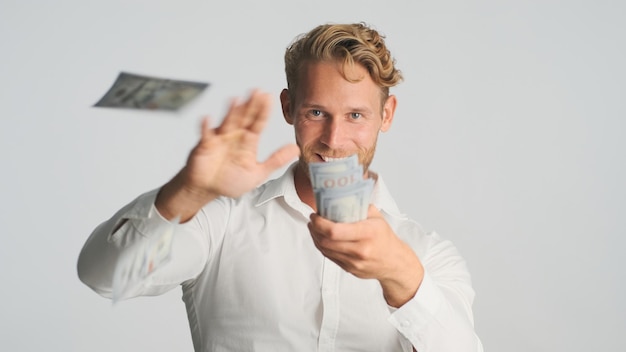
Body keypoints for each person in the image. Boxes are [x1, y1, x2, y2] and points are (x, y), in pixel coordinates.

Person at [77, 22, 483, 352]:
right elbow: (104, 276)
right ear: (289, 108)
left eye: (356, 114)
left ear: (387, 114)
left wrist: (401, 274)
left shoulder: (428, 256)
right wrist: (188, 190)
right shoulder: (223, 221)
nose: (334, 138)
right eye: (317, 112)